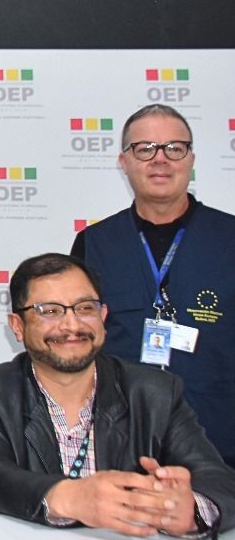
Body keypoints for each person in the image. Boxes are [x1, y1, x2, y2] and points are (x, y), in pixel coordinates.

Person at [0, 253, 235, 538]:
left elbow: (217, 478)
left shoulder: (155, 392)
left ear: (103, 317)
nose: (72, 325)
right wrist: (68, 497)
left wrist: (191, 509)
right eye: (50, 311)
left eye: (85, 308)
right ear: (17, 326)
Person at [72, 103, 235, 469]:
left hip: (220, 447)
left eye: (174, 148)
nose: (160, 160)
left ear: (191, 158)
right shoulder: (94, 243)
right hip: (122, 445)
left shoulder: (230, 238)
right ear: (124, 161)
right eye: (145, 149)